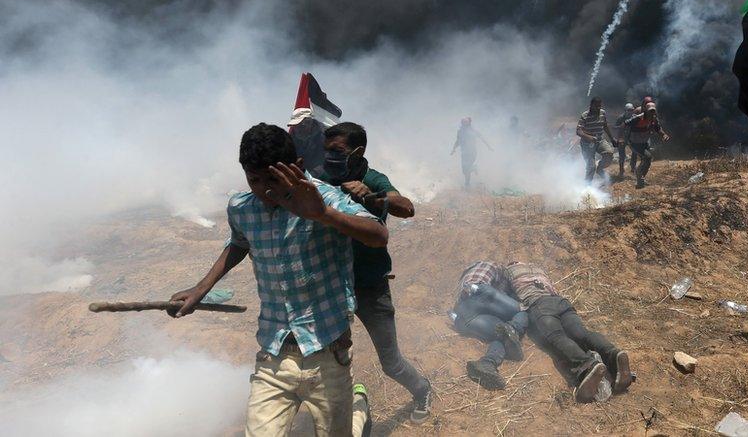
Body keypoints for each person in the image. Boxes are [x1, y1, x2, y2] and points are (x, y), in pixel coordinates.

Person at [168, 123, 389, 436]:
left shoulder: (323, 198)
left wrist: (323, 215)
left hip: (327, 349)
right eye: (254, 179)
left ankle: (358, 409)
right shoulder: (242, 208)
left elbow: (379, 235)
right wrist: (200, 289)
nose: (264, 190)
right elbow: (239, 242)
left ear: (296, 167)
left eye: (273, 178)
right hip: (274, 350)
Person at [321, 122, 433, 423]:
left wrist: (371, 194)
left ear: (357, 152)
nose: (330, 157)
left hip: (369, 286)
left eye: (338, 151)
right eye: (326, 150)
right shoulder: (322, 177)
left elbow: (405, 207)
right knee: (327, 357)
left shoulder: (373, 178)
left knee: (391, 362)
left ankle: (422, 389)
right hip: (330, 285)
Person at [506, 262, 633, 403]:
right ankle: (613, 354)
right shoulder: (537, 268)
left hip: (539, 305)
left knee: (557, 336)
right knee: (582, 334)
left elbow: (503, 297)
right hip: (561, 302)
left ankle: (588, 366)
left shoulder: (509, 272)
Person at [450, 261, 527, 390]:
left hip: (462, 317)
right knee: (523, 311)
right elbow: (483, 281)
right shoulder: (491, 265)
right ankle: (514, 329)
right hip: (480, 293)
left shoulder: (463, 278)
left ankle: (487, 363)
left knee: (503, 333)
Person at [624, 99, 670, 189]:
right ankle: (638, 173)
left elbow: (658, 128)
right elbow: (626, 125)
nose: (652, 113)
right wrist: (623, 139)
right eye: (650, 111)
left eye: (653, 111)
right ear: (645, 109)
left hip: (644, 142)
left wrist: (663, 135)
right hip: (635, 142)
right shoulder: (638, 116)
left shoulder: (653, 118)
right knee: (647, 157)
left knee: (647, 160)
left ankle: (641, 177)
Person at [576, 98, 617, 183]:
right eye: (596, 106)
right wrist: (589, 137)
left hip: (599, 140)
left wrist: (612, 139)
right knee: (591, 167)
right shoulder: (585, 115)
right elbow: (578, 131)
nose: (598, 108)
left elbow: (605, 126)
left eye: (599, 105)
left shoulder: (602, 113)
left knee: (609, 153)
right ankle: (587, 187)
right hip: (587, 144)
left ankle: (600, 169)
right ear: (591, 105)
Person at [451, 117, 492, 189]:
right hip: (464, 153)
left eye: (465, 123)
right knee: (464, 170)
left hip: (472, 152)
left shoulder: (473, 131)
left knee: (467, 167)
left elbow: (482, 138)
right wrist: (453, 149)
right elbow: (458, 141)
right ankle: (468, 181)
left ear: (469, 123)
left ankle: (467, 182)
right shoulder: (460, 131)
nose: (463, 124)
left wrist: (489, 147)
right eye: (462, 123)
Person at [288, 107, 329, 180]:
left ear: (309, 122)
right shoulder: (292, 136)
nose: (297, 130)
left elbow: (328, 161)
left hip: (323, 175)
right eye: (294, 126)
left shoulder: (326, 135)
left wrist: (310, 176)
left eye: (300, 126)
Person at [614, 103, 636, 177]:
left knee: (635, 151)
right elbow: (615, 128)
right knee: (621, 155)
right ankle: (621, 170)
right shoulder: (621, 118)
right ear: (625, 110)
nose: (631, 111)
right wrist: (618, 138)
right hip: (622, 138)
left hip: (631, 137)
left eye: (632, 110)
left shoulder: (634, 117)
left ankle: (633, 167)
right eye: (629, 110)